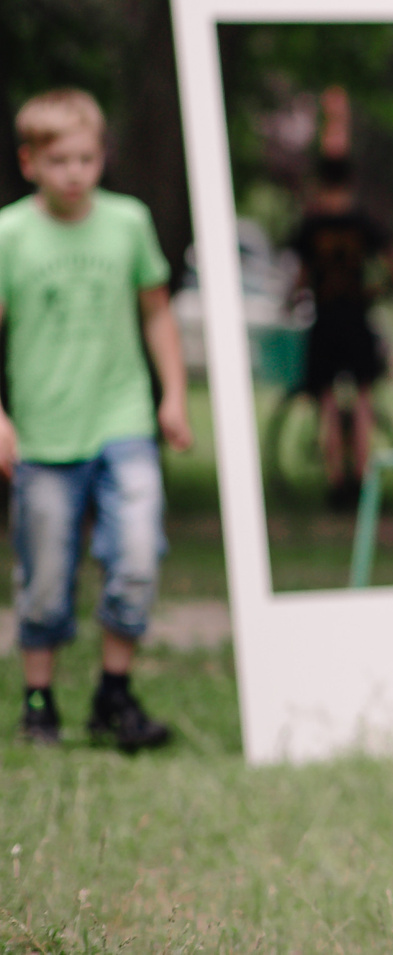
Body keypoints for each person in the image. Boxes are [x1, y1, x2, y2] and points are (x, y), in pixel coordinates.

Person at [0, 89, 192, 750]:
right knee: (47, 575)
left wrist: (173, 393)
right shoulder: (10, 234)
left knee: (137, 552)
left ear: (102, 156)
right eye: (59, 160)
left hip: (123, 416)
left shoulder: (128, 222)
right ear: (29, 162)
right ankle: (39, 703)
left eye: (86, 157)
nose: (75, 172)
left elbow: (156, 310)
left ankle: (114, 694)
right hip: (46, 431)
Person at [288, 156, 393, 504]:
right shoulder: (362, 222)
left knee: (329, 403)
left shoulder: (313, 225)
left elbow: (301, 276)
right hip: (357, 317)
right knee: (363, 399)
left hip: (326, 319)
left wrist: (289, 301)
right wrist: (377, 290)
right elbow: (392, 263)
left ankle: (336, 481)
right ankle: (363, 477)